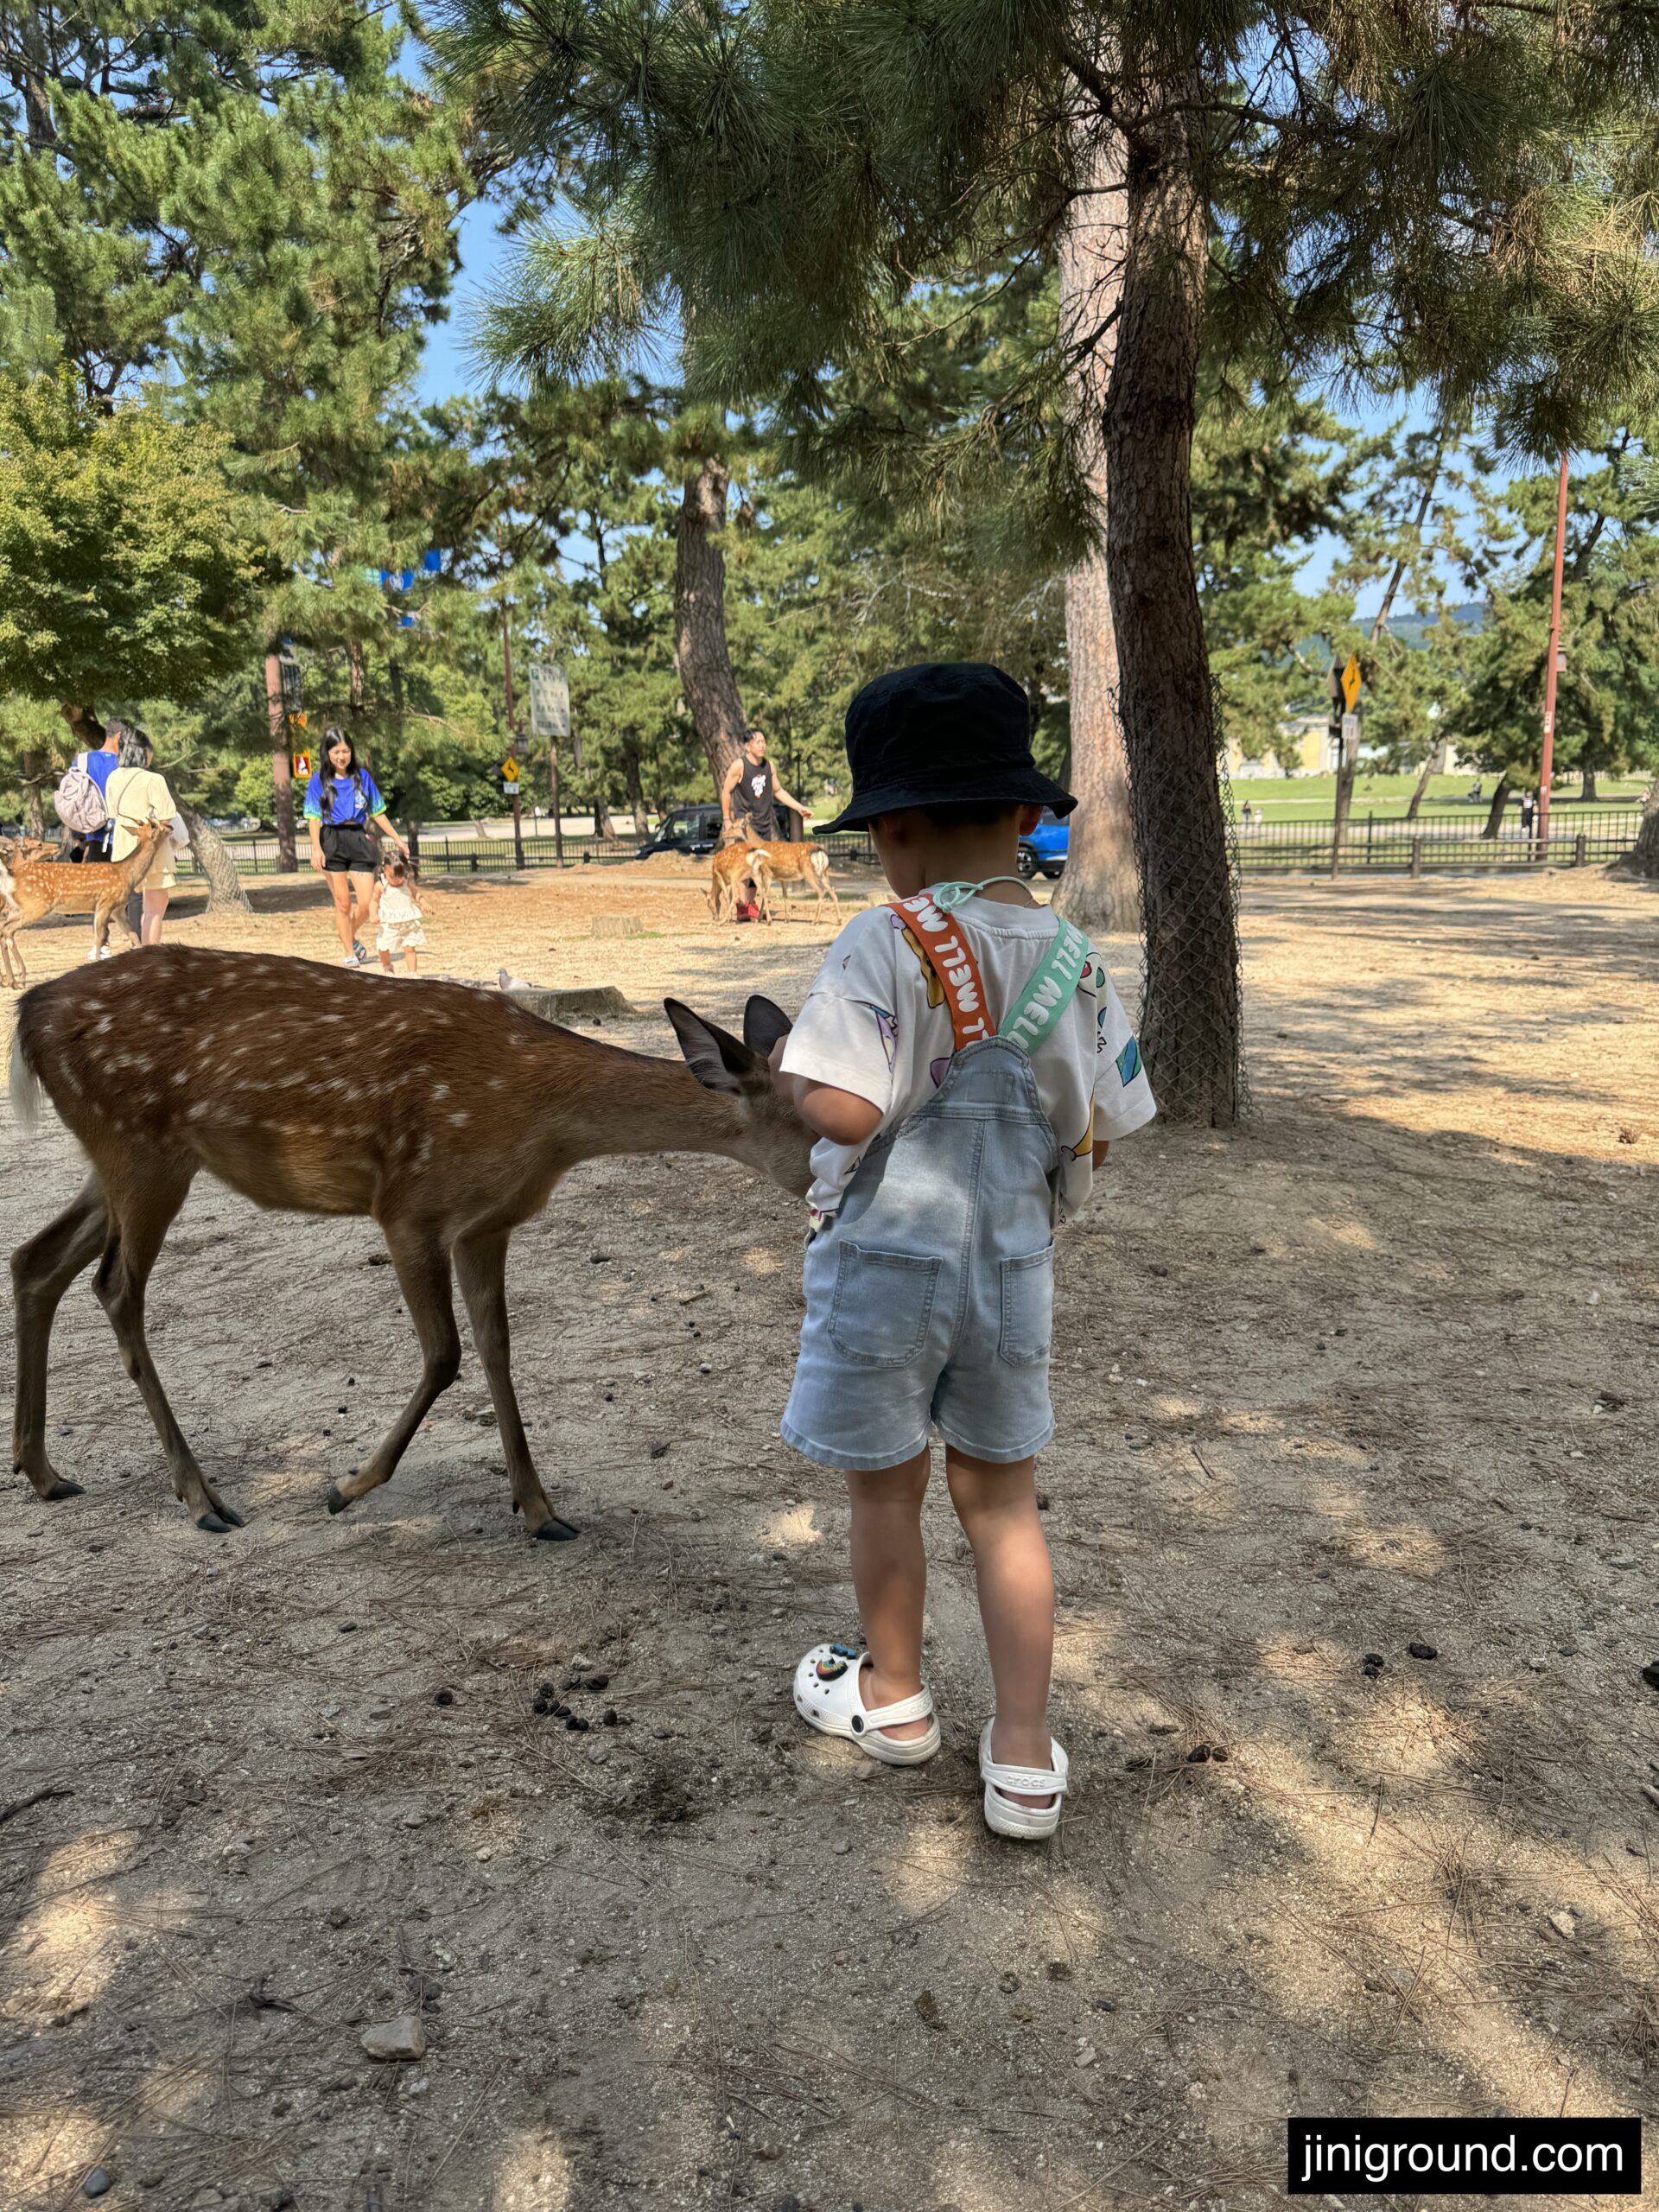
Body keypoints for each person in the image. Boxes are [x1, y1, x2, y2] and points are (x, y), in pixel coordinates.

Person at [769, 663, 1156, 1841]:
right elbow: (1109, 1125)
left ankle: (892, 1701)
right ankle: (1028, 1757)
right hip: (1009, 1269)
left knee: (886, 1491)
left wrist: (796, 1074)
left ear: (893, 830)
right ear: (1019, 816)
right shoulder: (1074, 958)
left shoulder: (883, 939)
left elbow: (842, 1113)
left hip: (885, 1267)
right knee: (1005, 1506)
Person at [304, 728, 409, 967]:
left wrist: (397, 838)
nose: (342, 756)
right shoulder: (319, 780)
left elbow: (378, 812)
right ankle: (349, 951)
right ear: (327, 752)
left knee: (365, 902)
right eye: (336, 751)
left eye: (346, 751)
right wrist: (316, 849)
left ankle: (348, 934)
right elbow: (313, 817)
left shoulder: (362, 777)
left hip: (358, 839)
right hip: (331, 839)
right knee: (343, 903)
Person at [105, 728, 182, 948]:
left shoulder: (113, 778)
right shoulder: (153, 779)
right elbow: (167, 814)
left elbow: (112, 812)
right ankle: (150, 955)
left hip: (124, 847)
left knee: (133, 902)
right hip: (149, 846)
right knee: (155, 907)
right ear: (143, 753)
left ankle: (137, 949)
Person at [721, 728, 812, 842]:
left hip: (764, 825)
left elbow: (778, 791)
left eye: (763, 742)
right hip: (745, 826)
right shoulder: (739, 766)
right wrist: (727, 819)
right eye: (758, 742)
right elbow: (726, 792)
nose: (762, 745)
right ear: (747, 746)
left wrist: (799, 807)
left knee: (764, 859)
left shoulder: (769, 766)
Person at [63, 719, 124, 861]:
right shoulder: (124, 765)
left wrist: (78, 834)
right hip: (121, 836)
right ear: (119, 736)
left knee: (96, 882)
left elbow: (72, 795)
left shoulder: (82, 761)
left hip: (94, 834)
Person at [369, 854, 429, 974]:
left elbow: (416, 894)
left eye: (400, 876)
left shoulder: (407, 883)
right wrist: (373, 914)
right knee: (384, 948)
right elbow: (374, 901)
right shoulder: (381, 885)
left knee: (410, 948)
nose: (397, 880)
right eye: (393, 876)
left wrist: (424, 903)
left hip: (408, 923)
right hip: (389, 924)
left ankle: (412, 973)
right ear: (385, 870)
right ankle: (387, 967)